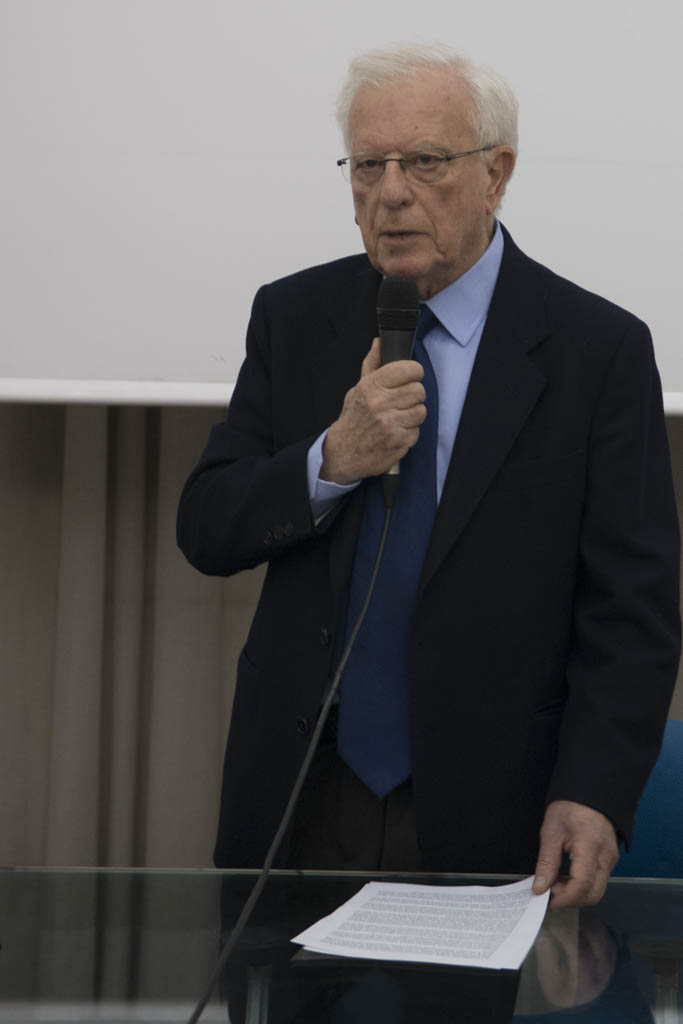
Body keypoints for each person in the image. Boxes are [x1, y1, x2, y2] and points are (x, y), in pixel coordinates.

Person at [177, 44, 680, 910]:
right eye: (366, 165)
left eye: (425, 161)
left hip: (496, 796)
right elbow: (208, 526)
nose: (391, 192)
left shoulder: (596, 349)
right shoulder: (293, 316)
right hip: (307, 783)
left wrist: (593, 789)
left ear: (496, 173)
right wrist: (332, 460)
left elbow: (631, 610)